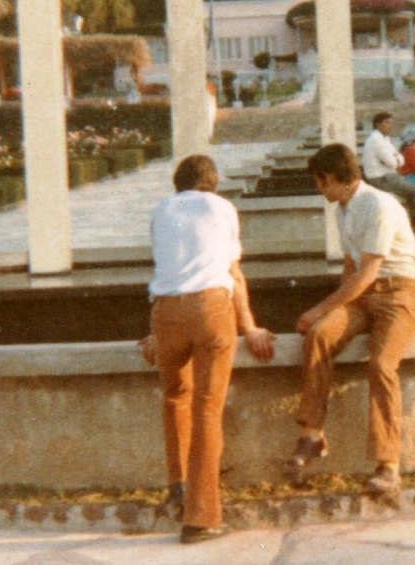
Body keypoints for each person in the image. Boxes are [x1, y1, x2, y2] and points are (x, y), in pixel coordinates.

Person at [143, 154, 275, 544]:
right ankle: (201, 519)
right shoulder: (223, 208)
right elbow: (233, 272)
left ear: (177, 184)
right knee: (207, 408)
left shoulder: (160, 210)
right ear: (213, 183)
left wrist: (155, 331)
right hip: (210, 308)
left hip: (164, 311)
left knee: (175, 396)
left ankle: (178, 483)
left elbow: (168, 268)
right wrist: (249, 326)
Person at [285, 142, 415, 494]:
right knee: (319, 335)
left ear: (331, 178)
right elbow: (351, 268)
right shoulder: (343, 209)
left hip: (400, 294)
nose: (319, 190)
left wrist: (317, 308)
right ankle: (312, 435)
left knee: (381, 363)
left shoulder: (379, 204)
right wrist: (331, 314)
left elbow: (367, 273)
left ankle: (388, 464)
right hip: (364, 297)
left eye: (319, 182)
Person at [361, 111, 415, 229]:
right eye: (386, 123)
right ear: (377, 124)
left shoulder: (384, 140)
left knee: (413, 189)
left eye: (391, 123)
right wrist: (395, 159)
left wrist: (395, 159)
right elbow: (392, 162)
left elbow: (400, 159)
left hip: (387, 176)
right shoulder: (376, 141)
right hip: (381, 178)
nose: (390, 126)